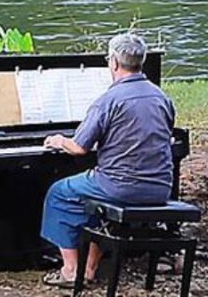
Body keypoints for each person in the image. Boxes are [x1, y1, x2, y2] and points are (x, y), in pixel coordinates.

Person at [40, 32, 175, 288]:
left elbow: (79, 147)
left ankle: (70, 270)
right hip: (159, 187)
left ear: (113, 63)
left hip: (119, 187)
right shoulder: (161, 97)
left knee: (58, 193)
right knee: (94, 199)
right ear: (141, 62)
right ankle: (89, 268)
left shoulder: (108, 100)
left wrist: (58, 140)